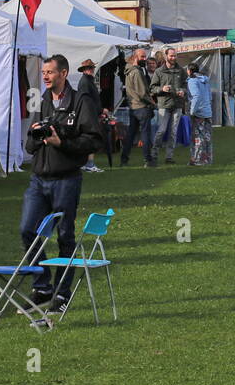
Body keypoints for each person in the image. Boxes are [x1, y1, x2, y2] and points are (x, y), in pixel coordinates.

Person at [22, 54, 102, 311]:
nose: (45, 76)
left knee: (65, 236)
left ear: (64, 74)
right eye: (43, 72)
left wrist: (62, 143)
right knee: (28, 230)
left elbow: (93, 140)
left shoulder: (81, 101)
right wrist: (37, 136)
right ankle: (42, 285)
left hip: (66, 179)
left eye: (50, 72)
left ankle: (62, 293)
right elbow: (29, 145)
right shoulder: (42, 100)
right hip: (38, 179)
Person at [150, 47, 186, 165]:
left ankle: (169, 157)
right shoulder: (159, 71)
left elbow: (186, 85)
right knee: (161, 131)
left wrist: (183, 91)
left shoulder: (181, 70)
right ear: (166, 56)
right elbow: (152, 88)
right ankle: (154, 154)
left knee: (173, 132)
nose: (173, 58)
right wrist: (162, 88)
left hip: (177, 105)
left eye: (175, 56)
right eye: (171, 56)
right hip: (164, 105)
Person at [121, 47, 156, 168]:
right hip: (141, 107)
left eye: (145, 56)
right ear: (135, 57)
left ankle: (124, 159)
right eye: (142, 56)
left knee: (130, 135)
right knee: (145, 134)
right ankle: (148, 160)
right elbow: (142, 93)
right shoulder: (136, 72)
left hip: (133, 107)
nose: (144, 59)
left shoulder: (129, 70)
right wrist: (153, 103)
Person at [76, 60, 106, 173]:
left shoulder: (88, 81)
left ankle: (86, 164)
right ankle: (89, 164)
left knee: (87, 139)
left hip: (90, 113)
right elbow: (87, 101)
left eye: (92, 67)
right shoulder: (85, 82)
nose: (92, 69)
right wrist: (100, 110)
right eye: (89, 68)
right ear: (84, 70)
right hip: (88, 114)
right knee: (91, 139)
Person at [186, 62, 213, 165]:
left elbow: (196, 96)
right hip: (207, 112)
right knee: (207, 137)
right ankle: (207, 159)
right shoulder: (205, 80)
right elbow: (210, 96)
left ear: (189, 70)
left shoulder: (192, 81)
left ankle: (197, 160)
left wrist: (192, 111)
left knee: (198, 138)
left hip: (199, 113)